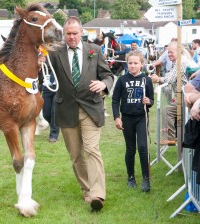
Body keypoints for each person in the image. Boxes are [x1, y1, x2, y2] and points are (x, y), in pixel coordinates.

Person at [44, 17, 114, 211]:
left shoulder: (95, 50)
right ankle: (87, 189)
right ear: (64, 34)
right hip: (66, 110)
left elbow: (108, 75)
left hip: (91, 108)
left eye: (75, 33)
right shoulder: (55, 53)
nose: (72, 37)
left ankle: (97, 194)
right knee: (76, 155)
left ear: (81, 32)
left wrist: (103, 84)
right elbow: (42, 72)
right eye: (68, 33)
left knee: (92, 150)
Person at [112, 51, 154, 192]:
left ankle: (146, 178)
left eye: (136, 63)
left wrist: (148, 101)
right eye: (130, 63)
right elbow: (115, 100)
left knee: (143, 148)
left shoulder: (146, 80)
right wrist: (117, 117)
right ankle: (131, 177)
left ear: (141, 64)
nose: (133, 66)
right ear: (127, 64)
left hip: (141, 118)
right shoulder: (122, 80)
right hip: (127, 118)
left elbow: (151, 99)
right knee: (130, 149)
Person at [150, 41, 189, 145]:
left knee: (167, 111)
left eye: (171, 52)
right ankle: (177, 138)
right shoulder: (179, 61)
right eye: (168, 52)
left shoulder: (180, 62)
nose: (169, 54)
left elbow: (170, 79)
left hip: (186, 96)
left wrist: (158, 79)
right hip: (182, 95)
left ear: (179, 52)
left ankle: (170, 138)